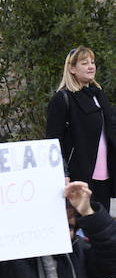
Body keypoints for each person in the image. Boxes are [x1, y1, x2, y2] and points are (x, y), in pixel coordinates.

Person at [46, 46, 116, 211]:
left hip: (104, 176)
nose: (91, 66)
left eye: (92, 62)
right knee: (81, 232)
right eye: (84, 63)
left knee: (101, 230)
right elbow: (53, 141)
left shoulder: (98, 95)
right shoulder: (62, 99)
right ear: (71, 68)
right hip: (80, 178)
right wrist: (63, 173)